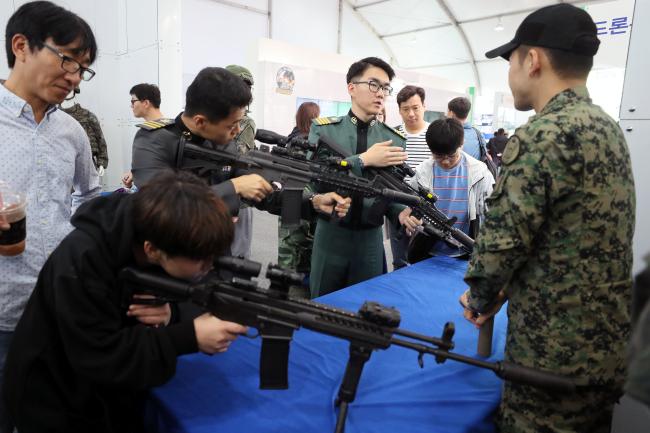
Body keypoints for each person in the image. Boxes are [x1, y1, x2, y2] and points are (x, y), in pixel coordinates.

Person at [458, 4, 636, 432]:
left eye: (511, 61)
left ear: (532, 60)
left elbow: (501, 245)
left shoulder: (542, 136)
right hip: (605, 349)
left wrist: (479, 298)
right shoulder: (608, 129)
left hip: (549, 361)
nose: (511, 74)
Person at [2, 171, 249, 432]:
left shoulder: (162, 232)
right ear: (152, 250)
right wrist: (189, 336)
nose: (207, 268)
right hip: (54, 399)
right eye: (202, 261)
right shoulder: (81, 261)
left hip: (106, 396)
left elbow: (193, 288)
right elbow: (99, 358)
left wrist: (171, 313)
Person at [0, 2, 100, 431]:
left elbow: (89, 196)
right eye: (67, 60)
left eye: (83, 69)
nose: (74, 78)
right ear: (21, 45)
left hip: (58, 305)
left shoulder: (72, 131)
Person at [130, 67, 348, 225]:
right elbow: (159, 206)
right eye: (232, 125)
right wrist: (232, 187)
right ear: (200, 121)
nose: (237, 131)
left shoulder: (226, 144)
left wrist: (313, 202)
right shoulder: (153, 140)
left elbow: (265, 194)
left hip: (216, 252)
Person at [308, 56, 420, 297]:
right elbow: (314, 177)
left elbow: (392, 189)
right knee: (321, 305)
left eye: (386, 88)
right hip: (331, 235)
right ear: (351, 88)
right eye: (374, 84)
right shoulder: (324, 129)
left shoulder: (394, 139)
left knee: (366, 311)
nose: (381, 93)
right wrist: (364, 160)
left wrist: (399, 211)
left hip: (371, 240)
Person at [407, 118, 493, 258]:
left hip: (465, 252)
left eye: (451, 156)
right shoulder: (422, 172)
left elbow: (490, 214)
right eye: (439, 157)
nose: (446, 161)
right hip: (427, 251)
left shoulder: (480, 173)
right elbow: (409, 206)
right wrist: (409, 218)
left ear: (462, 144)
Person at [389, 85, 431, 269]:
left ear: (424, 107)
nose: (411, 114)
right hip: (397, 206)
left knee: (425, 262)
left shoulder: (434, 134)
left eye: (416, 108)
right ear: (399, 110)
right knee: (399, 260)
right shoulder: (392, 135)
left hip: (428, 210)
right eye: (406, 109)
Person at [278, 101, 321, 279]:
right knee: (304, 242)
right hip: (307, 197)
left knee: (287, 242)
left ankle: (283, 279)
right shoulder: (311, 143)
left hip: (288, 196)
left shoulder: (291, 139)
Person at [225, 64, 256, 259]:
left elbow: (242, 158)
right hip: (214, 195)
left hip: (239, 199)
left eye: (246, 87)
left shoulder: (245, 122)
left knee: (238, 255)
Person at [122, 83, 166, 188]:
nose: (131, 105)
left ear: (146, 103)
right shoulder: (167, 128)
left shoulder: (149, 133)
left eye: (133, 101)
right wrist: (135, 174)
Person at [62, 94, 109, 175]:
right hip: (61, 166)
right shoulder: (53, 116)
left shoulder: (87, 115)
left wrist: (101, 163)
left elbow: (100, 139)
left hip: (86, 164)